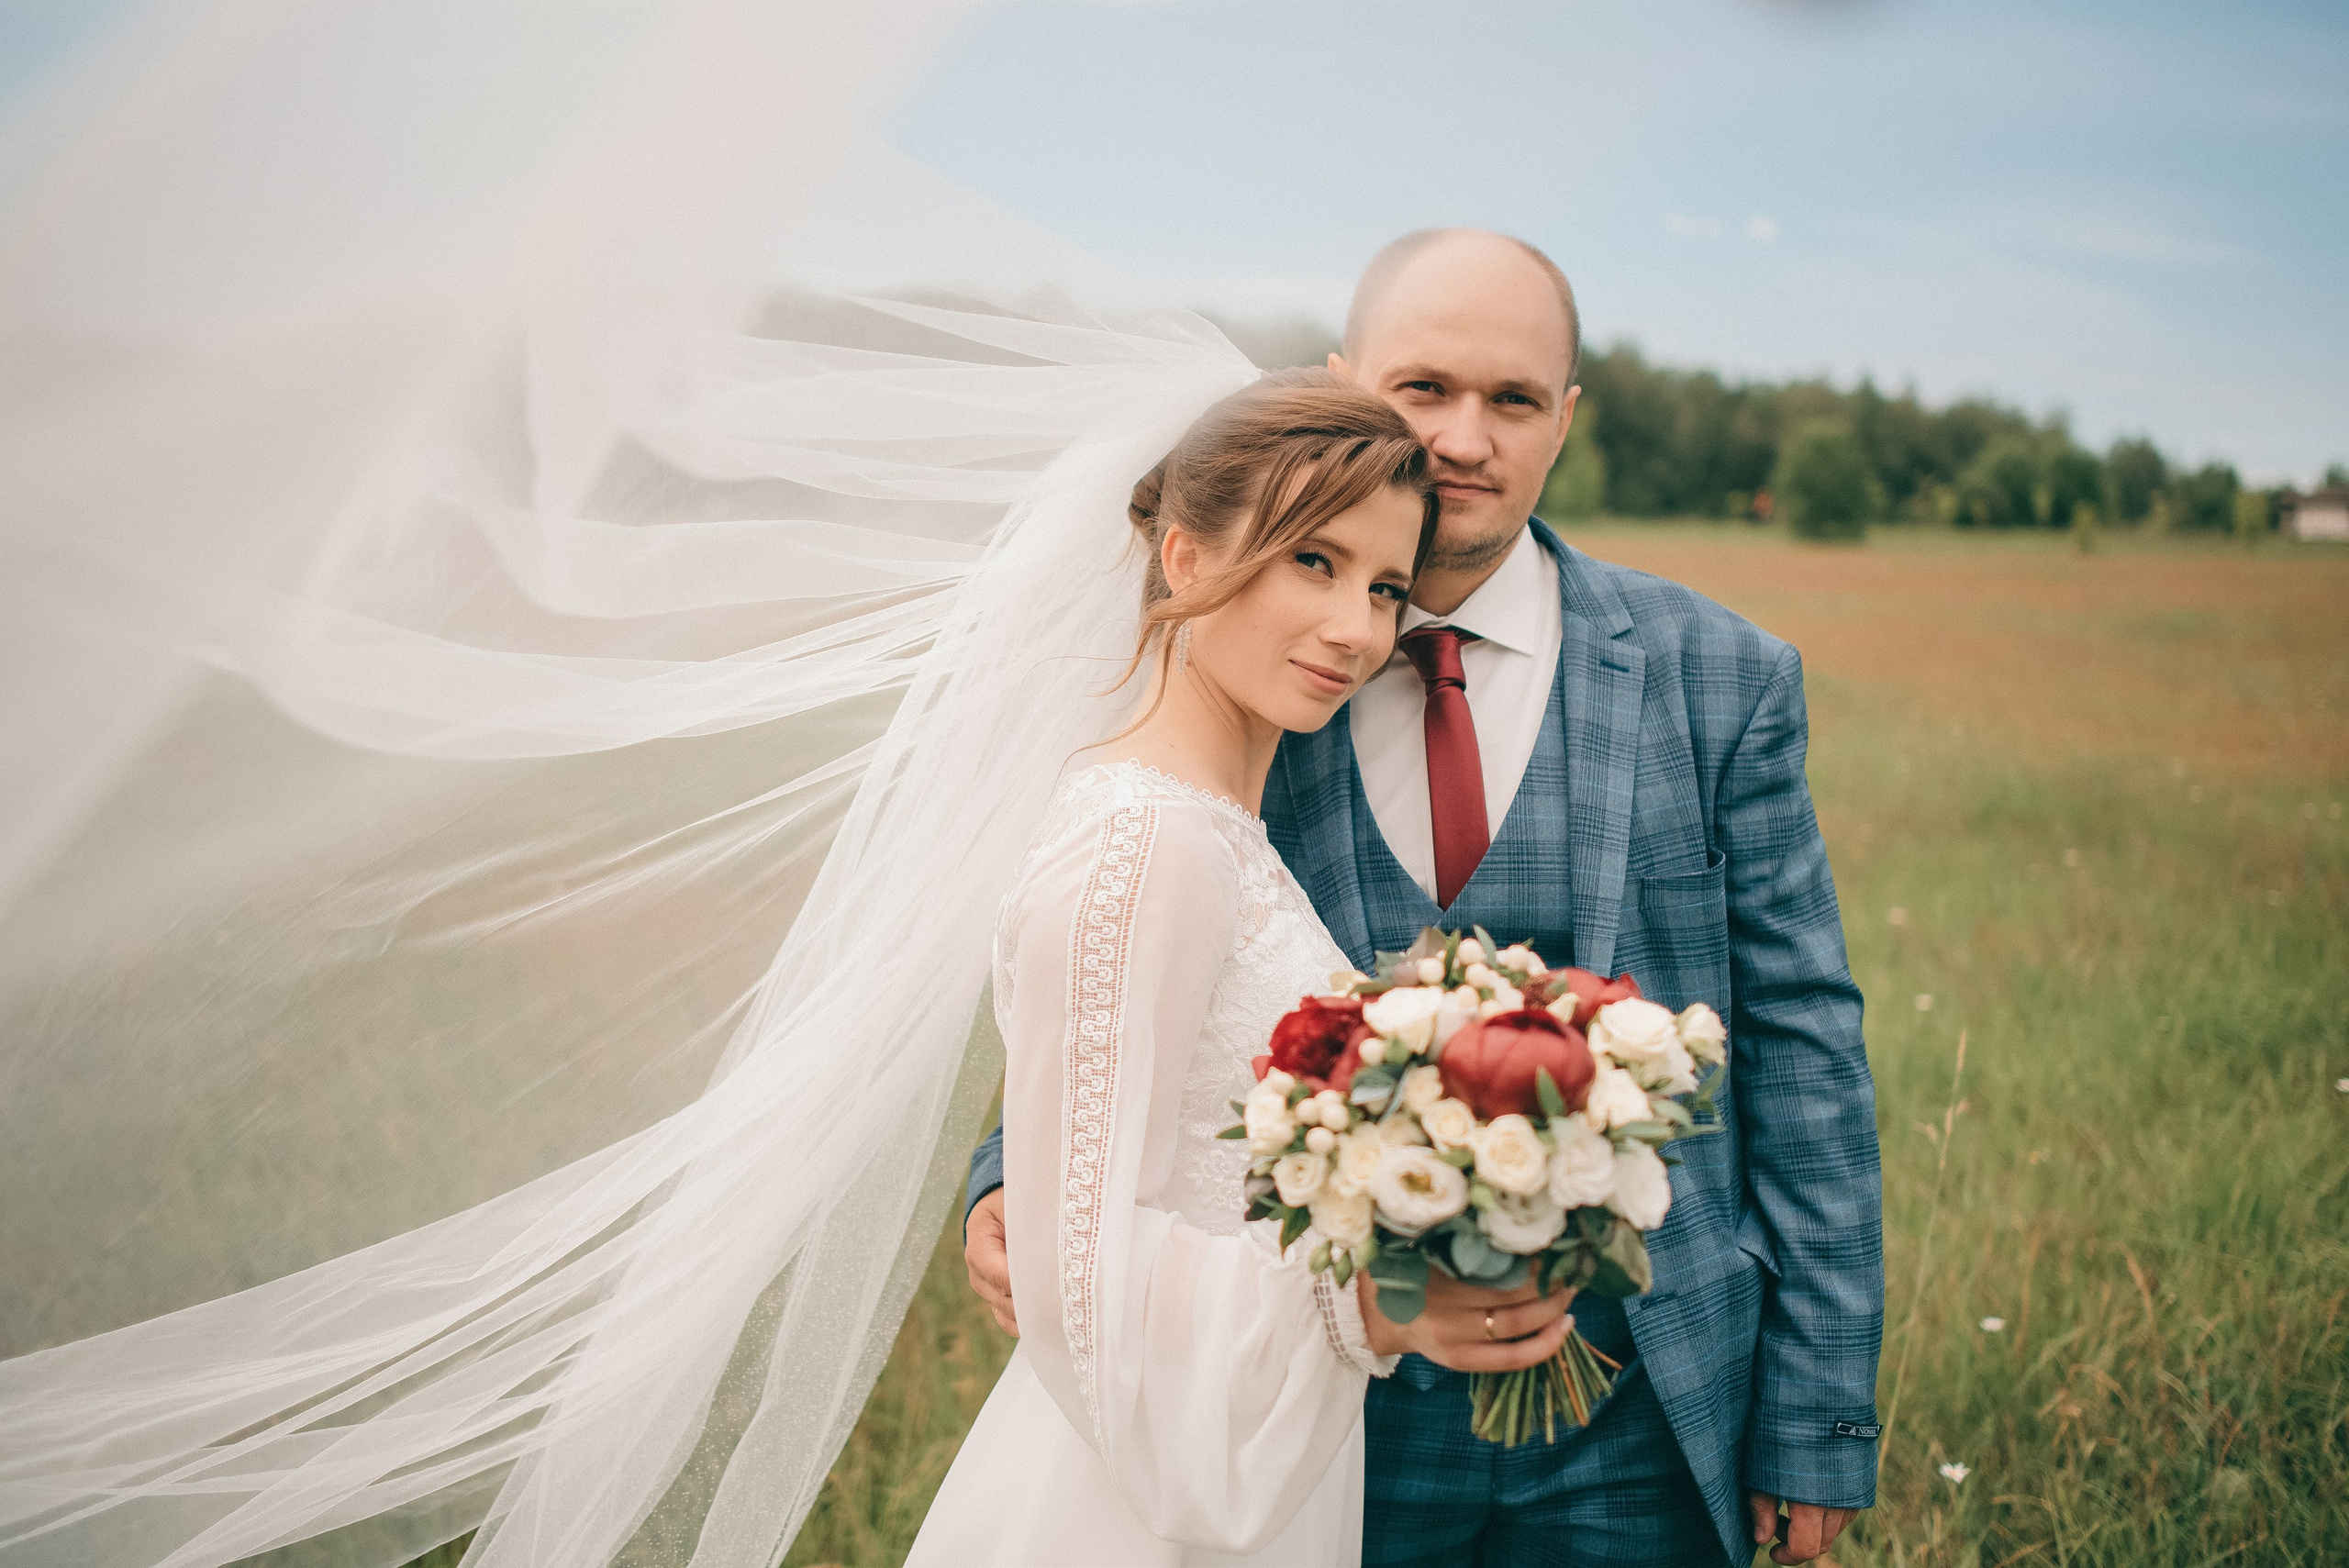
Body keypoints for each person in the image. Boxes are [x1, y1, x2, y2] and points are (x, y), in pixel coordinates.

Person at [961, 229, 1885, 1568]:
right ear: (1344, 383)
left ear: (1565, 421)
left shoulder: (1720, 678)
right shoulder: (1250, 661)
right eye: (1423, 387)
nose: (1464, 436)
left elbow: (1807, 1049)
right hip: (1324, 1427)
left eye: (1513, 400)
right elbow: (1115, 954)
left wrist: (1816, 1410)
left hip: (1640, 1406)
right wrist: (1014, 1180)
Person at [908, 369, 1578, 1565]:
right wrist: (1373, 1298)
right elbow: (1079, 1275)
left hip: (1238, 1445)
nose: (1355, 629)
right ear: (1182, 557)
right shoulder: (1143, 844)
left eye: (1384, 587)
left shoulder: (1210, 828)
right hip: (1129, 1492)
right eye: (1311, 563)